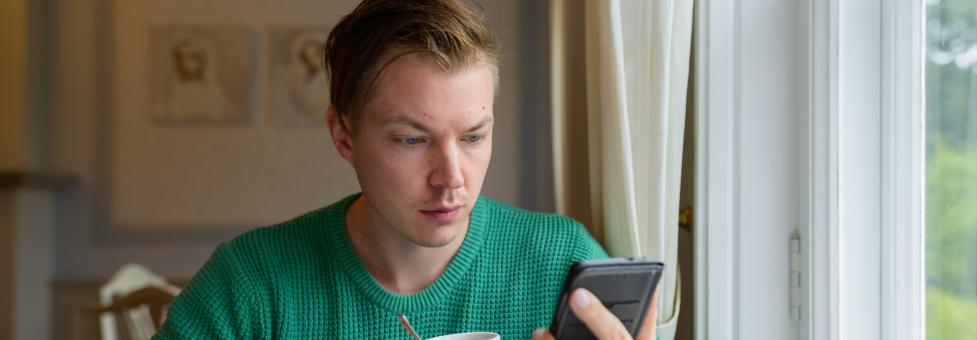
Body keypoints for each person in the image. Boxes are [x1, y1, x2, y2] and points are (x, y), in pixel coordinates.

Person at [152, 0, 658, 339]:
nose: (452, 177)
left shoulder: (561, 266)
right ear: (343, 135)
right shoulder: (249, 285)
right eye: (412, 139)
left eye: (474, 137)